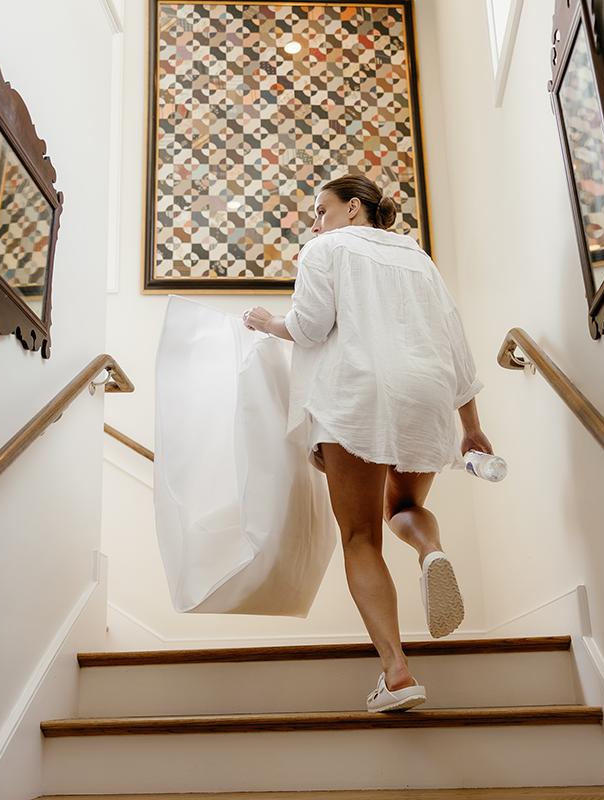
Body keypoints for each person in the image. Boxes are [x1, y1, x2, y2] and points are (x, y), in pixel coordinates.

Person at [242, 174, 491, 713]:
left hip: (355, 392)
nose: (314, 222)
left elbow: (310, 328)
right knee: (404, 506)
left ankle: (398, 674)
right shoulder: (417, 257)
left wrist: (268, 323)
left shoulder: (324, 248)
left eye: (321, 209)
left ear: (353, 208)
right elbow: (456, 341)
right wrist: (471, 427)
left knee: (360, 537)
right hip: (427, 391)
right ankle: (431, 551)